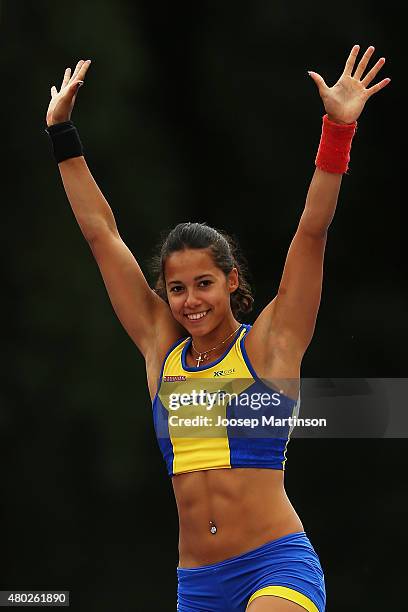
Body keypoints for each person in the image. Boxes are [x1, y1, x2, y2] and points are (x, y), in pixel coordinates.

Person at [45, 44, 390, 611]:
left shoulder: (271, 344)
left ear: (231, 281)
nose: (189, 302)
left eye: (204, 284)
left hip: (275, 565)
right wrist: (62, 136)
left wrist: (337, 130)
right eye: (176, 289)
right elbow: (100, 234)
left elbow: (311, 233)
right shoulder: (162, 350)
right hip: (199, 586)